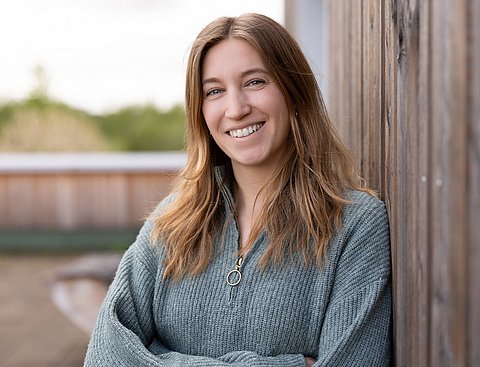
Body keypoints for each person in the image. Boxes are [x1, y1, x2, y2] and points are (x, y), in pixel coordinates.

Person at [84, 13, 391, 367]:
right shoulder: (170, 223)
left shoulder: (355, 225)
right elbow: (105, 356)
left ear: (293, 92)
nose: (236, 108)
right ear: (200, 112)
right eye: (214, 91)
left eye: (255, 82)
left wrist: (157, 359)